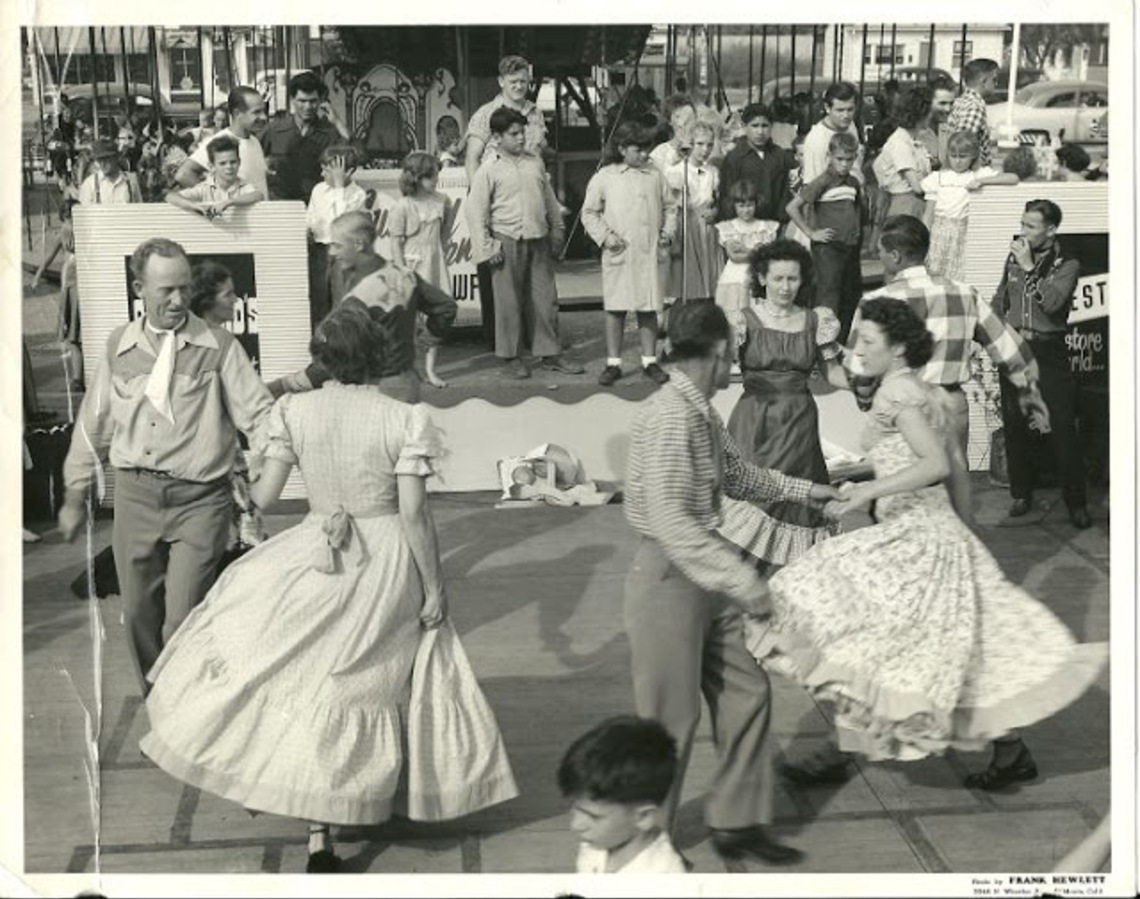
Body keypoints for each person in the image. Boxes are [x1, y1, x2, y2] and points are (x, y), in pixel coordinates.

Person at [138, 303, 519, 873]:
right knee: (368, 681)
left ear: (323, 360)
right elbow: (415, 516)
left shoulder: (294, 410)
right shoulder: (403, 418)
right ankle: (373, 796)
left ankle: (320, 833)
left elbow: (263, 499)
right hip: (385, 555)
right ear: (375, 357)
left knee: (314, 679)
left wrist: (232, 474)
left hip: (315, 549)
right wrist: (435, 586)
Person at [746, 297, 1106, 786]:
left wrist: (866, 493)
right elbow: (951, 465)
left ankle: (840, 753)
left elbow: (935, 464)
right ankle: (1007, 750)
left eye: (869, 342)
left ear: (896, 349)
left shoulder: (898, 395)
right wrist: (962, 530)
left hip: (916, 538)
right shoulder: (925, 389)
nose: (859, 350)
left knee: (867, 635)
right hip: (934, 534)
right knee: (944, 648)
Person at [623, 301, 839, 864]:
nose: (735, 366)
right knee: (668, 719)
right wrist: (744, 582)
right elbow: (671, 521)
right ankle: (650, 849)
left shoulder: (699, 411)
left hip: (702, 572)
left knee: (745, 689)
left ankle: (737, 821)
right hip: (670, 574)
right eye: (733, 355)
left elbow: (738, 475)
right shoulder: (671, 416)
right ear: (719, 353)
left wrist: (805, 491)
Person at [57, 238, 275, 696]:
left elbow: (260, 417)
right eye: (165, 291)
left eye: (183, 288)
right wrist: (75, 493)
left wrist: (268, 473)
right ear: (140, 289)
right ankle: (161, 705)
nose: (177, 300)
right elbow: (92, 425)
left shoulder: (218, 346)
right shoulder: (119, 347)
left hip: (201, 502)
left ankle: (182, 711)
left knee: (182, 616)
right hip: (134, 499)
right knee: (139, 614)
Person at [849, 216, 1050, 531]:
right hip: (950, 403)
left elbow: (860, 368)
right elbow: (1012, 351)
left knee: (900, 500)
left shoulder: (874, 302)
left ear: (894, 256)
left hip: (900, 408)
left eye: (881, 251)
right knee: (953, 494)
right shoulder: (964, 293)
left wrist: (866, 401)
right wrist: (1030, 394)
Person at [718, 239, 846, 569]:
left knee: (798, 500)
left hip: (799, 424)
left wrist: (872, 386)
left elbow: (833, 373)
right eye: (778, 279)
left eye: (793, 279)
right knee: (753, 494)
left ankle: (792, 588)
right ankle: (742, 589)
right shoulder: (741, 320)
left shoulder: (817, 321)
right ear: (762, 278)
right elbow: (714, 364)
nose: (786, 287)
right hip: (754, 420)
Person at [272, 211, 457, 404]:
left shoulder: (358, 297)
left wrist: (281, 386)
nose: (331, 252)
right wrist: (421, 346)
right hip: (407, 384)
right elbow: (446, 307)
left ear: (359, 244)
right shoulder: (404, 274)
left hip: (373, 393)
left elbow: (333, 357)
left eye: (337, 245)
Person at [993, 199, 1091, 530]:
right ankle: (1022, 494)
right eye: (1022, 224)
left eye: (1031, 226)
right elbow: (1001, 297)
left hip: (1048, 350)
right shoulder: (1015, 254)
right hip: (1014, 347)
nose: (1023, 231)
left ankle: (1076, 502)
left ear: (1050, 230)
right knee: (1015, 422)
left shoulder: (1067, 263)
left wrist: (1031, 268)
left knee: (1062, 426)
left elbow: (1051, 303)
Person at [467, 107, 582, 380]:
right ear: (497, 137)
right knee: (508, 303)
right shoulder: (488, 169)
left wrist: (557, 229)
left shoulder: (535, 163)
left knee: (545, 299)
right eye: (514, 134)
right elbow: (475, 212)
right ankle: (511, 356)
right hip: (505, 241)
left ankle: (550, 353)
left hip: (538, 238)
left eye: (523, 132)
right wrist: (487, 247)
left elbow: (549, 199)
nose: (521, 138)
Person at [581, 122, 676, 388]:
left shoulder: (655, 175)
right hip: (619, 253)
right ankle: (613, 363)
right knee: (616, 308)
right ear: (622, 149)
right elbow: (589, 212)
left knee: (648, 308)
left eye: (647, 150)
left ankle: (649, 361)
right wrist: (605, 237)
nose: (645, 155)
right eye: (638, 150)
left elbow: (671, 207)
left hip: (649, 253)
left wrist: (667, 231)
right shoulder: (605, 176)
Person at [464, 55, 549, 348]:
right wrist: (482, 203)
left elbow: (540, 153)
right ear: (501, 82)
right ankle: (499, 345)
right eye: (513, 82)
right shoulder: (486, 114)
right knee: (498, 280)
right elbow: (472, 158)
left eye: (524, 81)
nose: (519, 86)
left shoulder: (535, 113)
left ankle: (530, 341)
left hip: (528, 195)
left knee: (533, 283)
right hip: (495, 198)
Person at [187, 260, 267, 550]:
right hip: (219, 462)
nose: (236, 300)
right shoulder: (223, 343)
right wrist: (264, 455)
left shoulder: (172, 338)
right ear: (207, 300)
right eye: (228, 295)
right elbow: (254, 407)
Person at [558, 716, 688, 874]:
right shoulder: (597, 844)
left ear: (643, 817)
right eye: (576, 808)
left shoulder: (663, 875)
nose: (576, 825)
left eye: (593, 816)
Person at [787, 131, 866, 343]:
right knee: (828, 297)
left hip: (849, 247)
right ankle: (822, 345)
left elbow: (857, 210)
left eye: (849, 160)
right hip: (828, 249)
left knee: (850, 295)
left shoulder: (852, 183)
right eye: (839, 159)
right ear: (829, 156)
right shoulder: (822, 181)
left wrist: (858, 234)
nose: (844, 165)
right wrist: (811, 232)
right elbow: (793, 207)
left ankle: (838, 343)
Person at [391, 151, 459, 388]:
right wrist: (401, 268)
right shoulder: (403, 206)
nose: (436, 180)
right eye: (431, 176)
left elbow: (445, 232)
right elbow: (395, 240)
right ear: (416, 178)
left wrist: (437, 253)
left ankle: (430, 369)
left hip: (435, 262)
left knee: (439, 313)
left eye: (437, 175)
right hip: (411, 266)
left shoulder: (443, 201)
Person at [921, 130, 1019, 281]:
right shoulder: (938, 178)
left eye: (963, 156)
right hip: (938, 234)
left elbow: (1013, 178)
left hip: (962, 234)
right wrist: (922, 239)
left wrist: (983, 181)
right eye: (953, 156)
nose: (958, 161)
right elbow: (928, 214)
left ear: (973, 156)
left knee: (958, 276)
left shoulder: (977, 174)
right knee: (935, 274)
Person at [260, 70, 351, 201]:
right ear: (292, 100)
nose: (308, 107)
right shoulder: (274, 130)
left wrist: (337, 122)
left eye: (313, 101)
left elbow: (358, 156)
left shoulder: (329, 132)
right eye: (302, 101)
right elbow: (248, 152)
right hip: (280, 204)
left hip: (317, 204)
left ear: (320, 101)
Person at [305, 144, 370, 329]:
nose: (322, 174)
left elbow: (341, 224)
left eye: (328, 171)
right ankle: (320, 343)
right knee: (318, 300)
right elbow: (311, 216)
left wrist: (340, 187)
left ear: (347, 172)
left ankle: (340, 344)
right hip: (319, 251)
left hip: (342, 254)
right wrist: (308, 228)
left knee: (341, 300)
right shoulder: (318, 189)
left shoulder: (357, 195)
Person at [177, 86, 269, 198]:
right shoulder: (221, 141)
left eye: (263, 111)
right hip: (238, 215)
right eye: (256, 112)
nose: (264, 117)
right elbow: (183, 174)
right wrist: (217, 197)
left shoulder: (254, 141)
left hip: (261, 213)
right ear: (237, 114)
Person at [665, 121, 722, 301]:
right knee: (687, 276)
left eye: (710, 145)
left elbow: (718, 199)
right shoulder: (677, 171)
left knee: (710, 275)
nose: (705, 149)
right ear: (690, 143)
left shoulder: (712, 171)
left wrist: (715, 211)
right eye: (700, 144)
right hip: (687, 225)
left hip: (708, 226)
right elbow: (671, 204)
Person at [716, 102, 792, 230]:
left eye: (765, 126)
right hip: (743, 226)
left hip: (775, 225)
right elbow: (727, 196)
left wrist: (782, 221)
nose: (760, 131)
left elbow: (787, 191)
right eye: (755, 126)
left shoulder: (780, 156)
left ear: (771, 127)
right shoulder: (735, 158)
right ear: (744, 127)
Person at [713, 180, 780, 318]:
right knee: (735, 316)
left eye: (750, 205)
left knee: (758, 317)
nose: (746, 210)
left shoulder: (766, 227)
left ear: (756, 203)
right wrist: (757, 251)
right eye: (741, 206)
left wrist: (745, 249)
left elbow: (768, 256)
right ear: (734, 206)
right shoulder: (729, 228)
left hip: (758, 279)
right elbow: (734, 256)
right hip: (735, 278)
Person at [165, 134, 264, 220]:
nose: (229, 167)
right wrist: (193, 205)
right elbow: (170, 196)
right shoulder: (204, 188)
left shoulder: (244, 187)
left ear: (239, 163)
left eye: (233, 162)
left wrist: (229, 202)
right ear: (212, 167)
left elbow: (258, 195)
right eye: (222, 163)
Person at [872, 85, 934, 219]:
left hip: (914, 203)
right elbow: (916, 186)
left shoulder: (913, 140)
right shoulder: (900, 143)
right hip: (905, 204)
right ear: (920, 114)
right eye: (929, 112)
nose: (931, 116)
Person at [802, 82, 864, 185]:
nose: (845, 115)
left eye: (850, 109)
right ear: (827, 108)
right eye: (840, 110)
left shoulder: (850, 126)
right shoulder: (817, 140)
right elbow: (811, 184)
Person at [948, 59, 999, 168]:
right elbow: (962, 146)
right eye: (994, 80)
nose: (996, 84)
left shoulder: (961, 101)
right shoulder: (975, 106)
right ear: (983, 81)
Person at [77, 138, 142, 205]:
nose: (102, 164)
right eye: (99, 160)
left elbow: (138, 210)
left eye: (106, 159)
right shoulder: (90, 184)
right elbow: (85, 213)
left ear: (117, 158)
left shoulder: (131, 181)